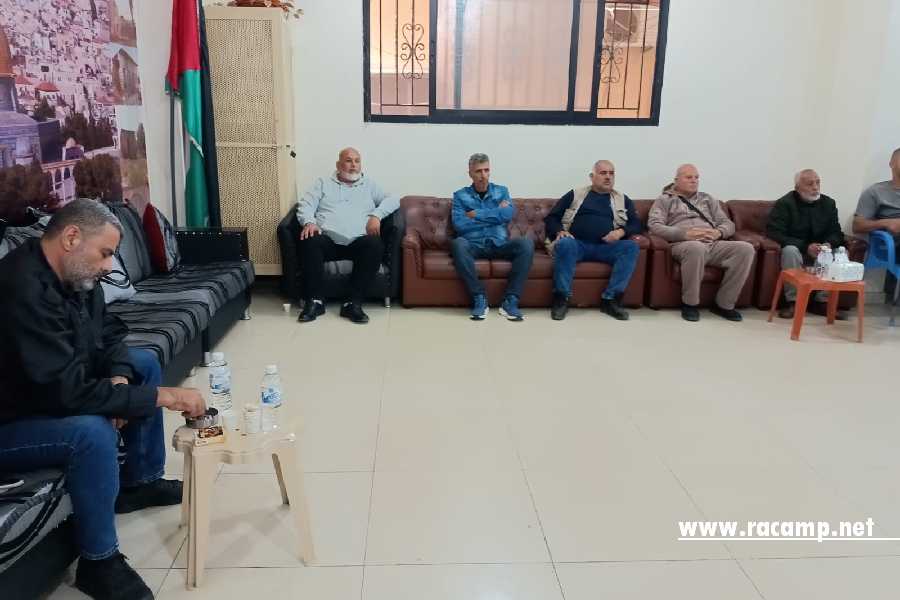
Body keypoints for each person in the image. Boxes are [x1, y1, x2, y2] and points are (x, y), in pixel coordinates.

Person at [0, 199, 206, 600]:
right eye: (106, 253)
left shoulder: (75, 275)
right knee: (91, 434)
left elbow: (109, 332)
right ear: (71, 237)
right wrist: (158, 396)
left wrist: (119, 377)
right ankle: (99, 563)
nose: (110, 265)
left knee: (142, 363)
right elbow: (65, 392)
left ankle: (139, 483)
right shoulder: (20, 289)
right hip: (12, 420)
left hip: (47, 393)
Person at [295, 147, 400, 324]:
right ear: (338, 165)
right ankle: (315, 301)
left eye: (357, 161)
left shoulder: (369, 185)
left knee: (375, 244)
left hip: (358, 243)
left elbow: (394, 199)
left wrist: (376, 215)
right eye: (348, 160)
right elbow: (305, 205)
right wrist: (309, 222)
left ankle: (352, 303)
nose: (353, 165)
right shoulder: (323, 183)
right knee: (310, 239)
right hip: (328, 241)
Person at [648, 164, 755, 322]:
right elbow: (654, 226)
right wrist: (685, 234)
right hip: (683, 244)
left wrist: (719, 232)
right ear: (676, 180)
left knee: (746, 249)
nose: (694, 180)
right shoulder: (664, 200)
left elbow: (728, 224)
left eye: (696, 177)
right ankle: (690, 304)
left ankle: (724, 304)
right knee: (696, 247)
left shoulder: (708, 199)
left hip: (712, 243)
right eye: (689, 177)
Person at [544, 160, 641, 321]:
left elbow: (636, 223)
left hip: (606, 247)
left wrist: (621, 232)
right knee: (565, 243)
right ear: (592, 176)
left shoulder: (622, 199)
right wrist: (560, 231)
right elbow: (552, 218)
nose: (608, 177)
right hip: (577, 244)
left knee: (631, 247)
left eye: (611, 173)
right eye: (603, 173)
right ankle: (561, 299)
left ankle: (610, 300)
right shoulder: (576, 194)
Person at [450, 153, 534, 321]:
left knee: (526, 244)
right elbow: (459, 225)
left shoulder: (502, 191)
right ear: (470, 174)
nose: (483, 175)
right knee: (458, 243)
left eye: (486, 170)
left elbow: (507, 215)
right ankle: (479, 297)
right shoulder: (460, 195)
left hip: (499, 244)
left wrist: (475, 214)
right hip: (473, 245)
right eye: (478, 171)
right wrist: (496, 213)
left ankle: (510, 301)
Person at [767, 169, 846, 319]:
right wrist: (805, 247)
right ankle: (794, 302)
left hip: (821, 251)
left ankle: (822, 302)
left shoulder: (828, 204)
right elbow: (774, 232)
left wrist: (828, 244)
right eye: (810, 184)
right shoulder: (785, 203)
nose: (815, 187)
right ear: (797, 188)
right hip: (797, 248)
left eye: (817, 183)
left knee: (837, 253)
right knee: (790, 250)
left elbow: (837, 233)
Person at [853, 148, 900, 302]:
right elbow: (857, 225)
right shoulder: (876, 191)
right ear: (891, 163)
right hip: (891, 243)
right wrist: (886, 222)